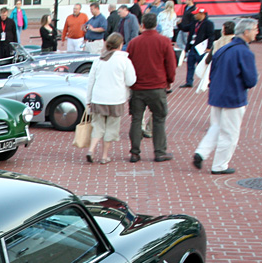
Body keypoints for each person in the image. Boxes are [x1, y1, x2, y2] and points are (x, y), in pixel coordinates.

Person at [192, 17, 258, 174]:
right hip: (233, 96)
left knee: (216, 126)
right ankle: (220, 165)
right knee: (230, 133)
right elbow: (251, 80)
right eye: (255, 29)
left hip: (217, 93)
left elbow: (212, 71)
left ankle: (202, 151)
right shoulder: (244, 52)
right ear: (246, 31)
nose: (256, 32)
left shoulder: (222, 48)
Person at [126, 11, 176, 162]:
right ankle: (159, 151)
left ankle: (135, 152)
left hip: (138, 87)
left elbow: (129, 64)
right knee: (159, 119)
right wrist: (169, 80)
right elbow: (170, 64)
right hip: (157, 86)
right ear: (156, 24)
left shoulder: (134, 42)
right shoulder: (164, 41)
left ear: (142, 25)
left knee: (136, 119)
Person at [85, 32, 136, 163]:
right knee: (111, 128)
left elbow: (91, 81)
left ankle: (91, 149)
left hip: (98, 98)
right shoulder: (124, 60)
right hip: (116, 99)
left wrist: (88, 100)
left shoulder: (99, 60)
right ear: (120, 44)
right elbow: (131, 81)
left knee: (98, 126)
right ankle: (104, 156)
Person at [180, 6, 213, 87]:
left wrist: (209, 47)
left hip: (201, 48)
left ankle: (207, 81)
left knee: (202, 65)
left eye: (196, 14)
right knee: (190, 64)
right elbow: (185, 28)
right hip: (193, 47)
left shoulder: (208, 24)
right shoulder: (194, 22)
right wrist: (179, 24)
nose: (195, 16)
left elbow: (211, 36)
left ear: (202, 14)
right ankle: (189, 81)